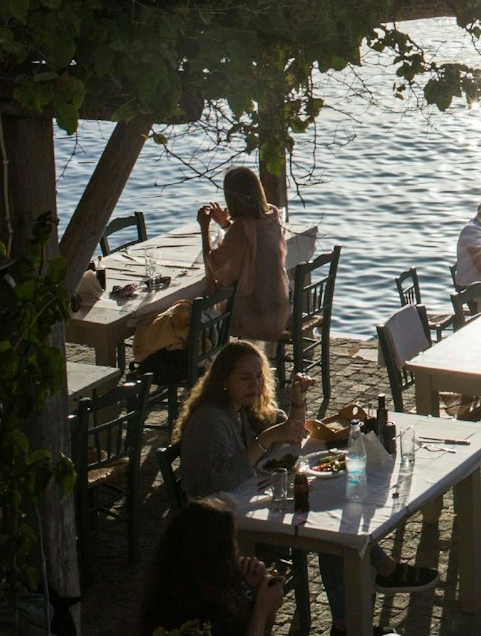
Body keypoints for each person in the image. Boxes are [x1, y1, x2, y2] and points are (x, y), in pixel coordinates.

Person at [178, 341, 436, 627]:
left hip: (250, 500)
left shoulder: (240, 408)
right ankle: (373, 589)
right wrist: (266, 439)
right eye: (245, 378)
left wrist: (297, 403)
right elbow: (225, 478)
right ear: (223, 379)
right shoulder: (211, 419)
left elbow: (291, 439)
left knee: (333, 522)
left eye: (259, 376)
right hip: (221, 524)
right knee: (329, 530)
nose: (254, 384)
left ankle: (349, 618)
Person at [136, 496, 288, 636]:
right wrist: (261, 610)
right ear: (216, 556)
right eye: (231, 545)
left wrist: (257, 594)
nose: (236, 553)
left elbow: (262, 628)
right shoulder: (189, 613)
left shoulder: (216, 587)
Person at [199, 167, 291, 347]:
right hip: (278, 302)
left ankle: (205, 358)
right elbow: (248, 244)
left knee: (202, 312)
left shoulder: (241, 227)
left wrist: (203, 227)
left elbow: (213, 263)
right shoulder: (272, 216)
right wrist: (226, 225)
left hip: (256, 310)